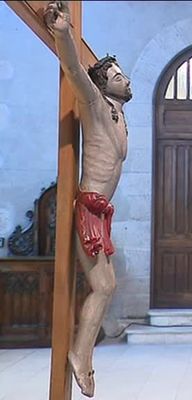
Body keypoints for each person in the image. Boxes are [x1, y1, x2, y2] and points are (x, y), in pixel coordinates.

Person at [44, 1, 132, 397]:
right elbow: (76, 71)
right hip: (89, 207)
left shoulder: (117, 113)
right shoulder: (95, 105)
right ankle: (80, 356)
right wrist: (63, 32)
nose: (125, 78)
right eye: (116, 75)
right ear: (103, 85)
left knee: (107, 285)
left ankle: (83, 354)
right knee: (104, 286)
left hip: (102, 211)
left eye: (122, 73)